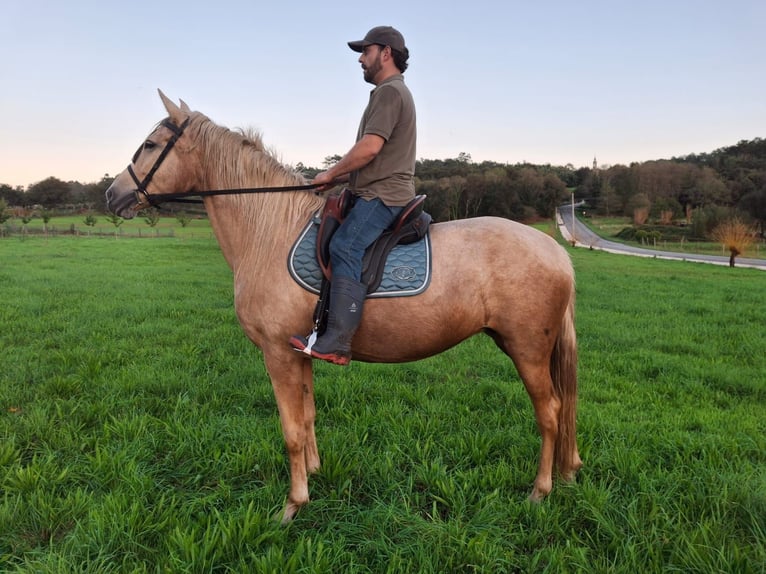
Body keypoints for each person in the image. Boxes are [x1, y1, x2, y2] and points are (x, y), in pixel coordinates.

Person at [290, 25, 417, 366]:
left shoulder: (390, 92)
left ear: (385, 53)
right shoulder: (386, 93)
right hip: (373, 188)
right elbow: (368, 157)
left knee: (345, 245)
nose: (361, 59)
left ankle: (338, 342)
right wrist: (335, 179)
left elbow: (370, 148)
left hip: (385, 195)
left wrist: (331, 172)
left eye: (366, 51)